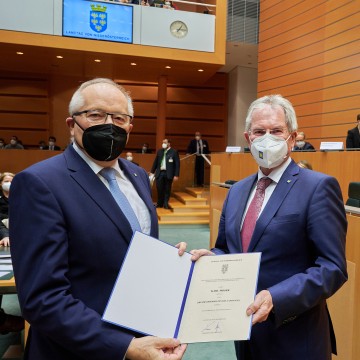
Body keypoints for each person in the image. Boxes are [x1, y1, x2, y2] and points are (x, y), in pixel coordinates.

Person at [9, 78, 187, 360]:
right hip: (76, 350)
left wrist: (171, 260)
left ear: (130, 127)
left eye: (119, 117)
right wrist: (124, 347)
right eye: (95, 115)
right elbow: (43, 298)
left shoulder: (138, 175)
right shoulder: (39, 183)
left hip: (144, 337)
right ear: (72, 124)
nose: (109, 125)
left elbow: (129, 246)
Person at [189, 94, 347, 360]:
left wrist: (277, 297)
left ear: (292, 138)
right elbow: (227, 249)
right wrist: (212, 258)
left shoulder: (318, 187)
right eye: (259, 131)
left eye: (276, 131)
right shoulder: (237, 191)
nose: (267, 138)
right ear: (248, 138)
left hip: (295, 337)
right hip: (245, 333)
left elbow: (332, 267)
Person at [150, 139, 180, 209]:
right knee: (159, 188)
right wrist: (152, 171)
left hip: (168, 173)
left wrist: (176, 175)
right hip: (160, 173)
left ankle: (165, 203)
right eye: (163, 142)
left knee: (167, 189)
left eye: (165, 142)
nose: (163, 144)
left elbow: (177, 164)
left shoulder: (174, 152)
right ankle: (160, 203)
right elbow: (155, 162)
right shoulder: (160, 151)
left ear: (169, 143)